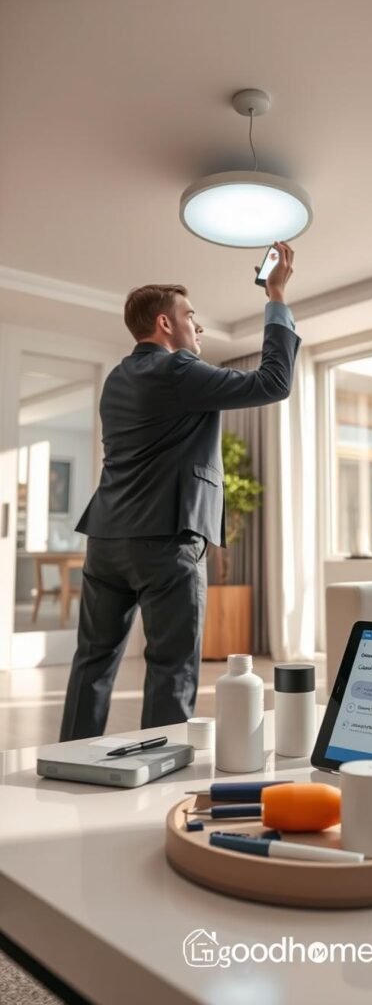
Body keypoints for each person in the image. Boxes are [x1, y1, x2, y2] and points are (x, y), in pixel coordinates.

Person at [59, 241, 299, 741]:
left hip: (106, 540)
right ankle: (161, 775)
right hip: (165, 540)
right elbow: (274, 382)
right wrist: (275, 295)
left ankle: (71, 758)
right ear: (165, 324)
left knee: (93, 660)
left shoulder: (117, 378)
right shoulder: (177, 370)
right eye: (190, 316)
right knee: (172, 666)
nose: (199, 326)